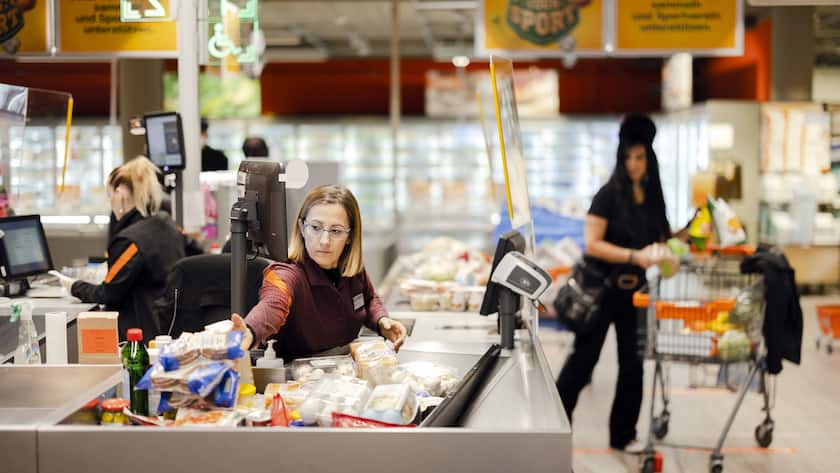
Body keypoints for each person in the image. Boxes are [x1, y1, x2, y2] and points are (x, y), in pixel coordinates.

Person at [551, 114, 672, 453]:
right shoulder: (608, 194)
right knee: (583, 361)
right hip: (602, 290)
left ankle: (623, 436)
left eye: (640, 156)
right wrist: (636, 256)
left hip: (635, 295)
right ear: (620, 157)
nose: (633, 164)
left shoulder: (652, 198)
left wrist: (685, 237)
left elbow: (661, 239)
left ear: (649, 158)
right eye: (628, 156)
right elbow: (593, 244)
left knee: (632, 365)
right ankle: (555, 431)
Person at [230, 185, 406, 359]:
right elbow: (273, 305)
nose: (324, 241)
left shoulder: (351, 269)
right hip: (300, 379)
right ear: (301, 227)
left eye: (336, 231)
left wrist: (382, 321)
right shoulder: (287, 273)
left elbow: (368, 300)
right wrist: (250, 331)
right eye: (315, 227)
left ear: (350, 236)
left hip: (345, 371)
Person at [54, 157, 186, 341]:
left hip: (140, 334)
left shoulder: (130, 240)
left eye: (110, 196)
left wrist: (73, 286)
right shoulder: (165, 223)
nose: (111, 203)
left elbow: (108, 293)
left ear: (120, 193)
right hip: (166, 326)